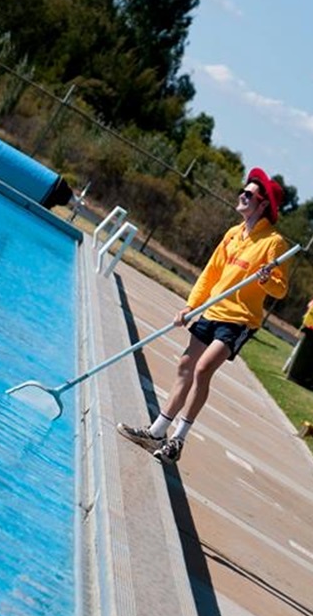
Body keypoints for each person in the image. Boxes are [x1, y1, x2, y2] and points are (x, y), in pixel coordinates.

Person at [116, 167, 290, 464]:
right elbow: (210, 274)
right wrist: (190, 306)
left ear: (263, 205)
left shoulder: (274, 243)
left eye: (249, 194)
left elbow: (280, 289)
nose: (242, 196)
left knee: (202, 369)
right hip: (213, 310)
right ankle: (157, 431)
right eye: (242, 191)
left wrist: (266, 279)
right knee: (186, 365)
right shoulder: (233, 234)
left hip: (239, 319)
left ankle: (178, 440)